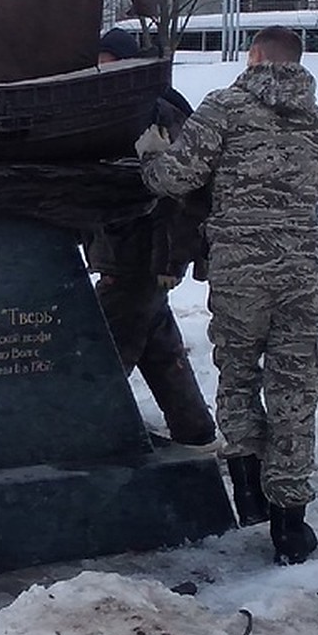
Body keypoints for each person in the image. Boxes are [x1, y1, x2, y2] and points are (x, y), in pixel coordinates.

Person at [135, 26, 318, 565]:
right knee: (295, 391)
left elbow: (177, 177)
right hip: (301, 274)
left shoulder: (225, 107)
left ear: (253, 57)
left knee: (240, 374)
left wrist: (151, 159)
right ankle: (290, 526)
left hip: (240, 270)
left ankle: (249, 492)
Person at [83, 27, 216, 447]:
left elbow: (185, 194)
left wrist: (170, 262)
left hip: (141, 256)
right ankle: (196, 432)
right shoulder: (112, 110)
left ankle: (89, 435)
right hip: (123, 252)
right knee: (159, 347)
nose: (102, 73)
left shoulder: (155, 113)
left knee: (106, 352)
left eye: (110, 64)